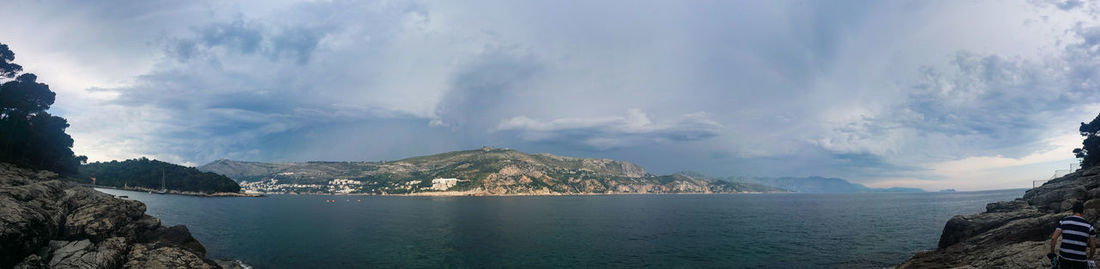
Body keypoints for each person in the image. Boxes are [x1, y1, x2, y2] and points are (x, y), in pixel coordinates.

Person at [1050, 201, 1097, 269]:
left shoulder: (1063, 221)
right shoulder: (1089, 226)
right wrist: (1091, 258)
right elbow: (1093, 246)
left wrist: (1053, 255)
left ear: (1073, 210)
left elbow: (1053, 238)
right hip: (1080, 260)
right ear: (1082, 211)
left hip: (1064, 258)